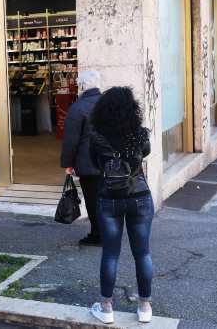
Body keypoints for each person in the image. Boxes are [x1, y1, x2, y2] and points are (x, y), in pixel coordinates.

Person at [88, 86, 153, 325]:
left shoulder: (96, 136)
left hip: (109, 198)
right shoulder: (139, 134)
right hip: (140, 195)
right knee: (142, 253)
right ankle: (144, 306)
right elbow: (145, 153)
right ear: (132, 108)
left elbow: (96, 164)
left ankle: (106, 308)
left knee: (110, 254)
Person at [61, 70, 103, 246]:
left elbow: (71, 140)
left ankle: (98, 235)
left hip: (88, 163)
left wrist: (68, 163)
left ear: (83, 86)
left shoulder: (78, 107)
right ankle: (109, 231)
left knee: (93, 200)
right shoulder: (107, 103)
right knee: (106, 199)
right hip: (109, 161)